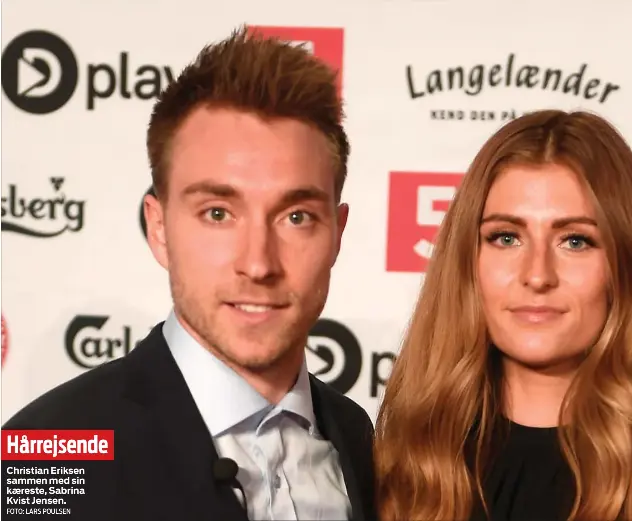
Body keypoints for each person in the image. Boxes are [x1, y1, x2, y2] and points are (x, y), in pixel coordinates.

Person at [4, 27, 375, 521]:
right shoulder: (48, 453)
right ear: (158, 229)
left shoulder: (359, 438)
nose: (258, 264)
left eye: (296, 217)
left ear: (337, 232)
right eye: (218, 214)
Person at [373, 110, 632, 521]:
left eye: (575, 241)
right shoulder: (402, 469)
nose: (537, 275)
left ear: (624, 266)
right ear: (468, 259)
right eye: (506, 237)